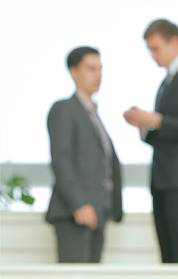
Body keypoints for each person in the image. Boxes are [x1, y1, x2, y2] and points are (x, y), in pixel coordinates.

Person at [123, 19, 178, 263]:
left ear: (174, 42)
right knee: (168, 256)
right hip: (162, 180)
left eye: (156, 48)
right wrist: (145, 126)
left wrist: (157, 119)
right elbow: (168, 133)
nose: (153, 55)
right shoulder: (165, 83)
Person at [46, 46, 123, 263]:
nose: (98, 75)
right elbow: (61, 158)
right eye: (91, 69)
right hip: (75, 212)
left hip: (99, 210)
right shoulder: (64, 109)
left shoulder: (94, 116)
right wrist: (78, 203)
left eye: (100, 69)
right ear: (73, 71)